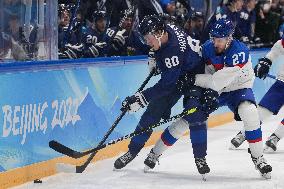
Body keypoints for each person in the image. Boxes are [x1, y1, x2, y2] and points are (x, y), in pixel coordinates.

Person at [144, 18, 273, 179]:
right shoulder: (207, 48)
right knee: (189, 118)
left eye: (219, 40)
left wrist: (193, 79)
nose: (215, 43)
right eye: (213, 39)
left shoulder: (239, 52)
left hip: (237, 89)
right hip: (215, 88)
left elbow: (217, 81)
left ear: (229, 38)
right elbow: (195, 64)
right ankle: (154, 154)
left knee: (250, 113)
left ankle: (258, 158)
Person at [113, 15, 218, 176]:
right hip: (177, 74)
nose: (148, 42)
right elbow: (163, 57)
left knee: (195, 114)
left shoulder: (173, 51)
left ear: (159, 33)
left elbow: (166, 85)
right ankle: (132, 151)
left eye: (149, 39)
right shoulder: (165, 29)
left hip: (194, 76)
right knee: (152, 114)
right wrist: (155, 55)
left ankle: (200, 157)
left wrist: (142, 98)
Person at [230, 35, 284, 153]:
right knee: (264, 108)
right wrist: (267, 61)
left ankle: (275, 137)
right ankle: (244, 133)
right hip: (282, 82)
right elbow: (278, 47)